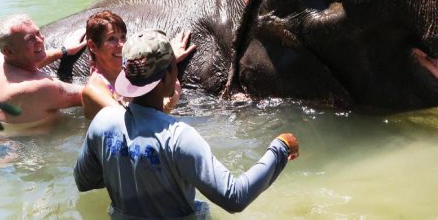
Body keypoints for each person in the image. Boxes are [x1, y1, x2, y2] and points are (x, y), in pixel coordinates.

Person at [74, 29, 299, 218]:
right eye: (174, 66)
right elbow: (234, 197)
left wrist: (128, 169)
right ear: (168, 75)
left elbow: (84, 181)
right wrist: (279, 148)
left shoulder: (103, 122)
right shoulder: (179, 137)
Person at [80, 10, 196, 120]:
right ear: (93, 46)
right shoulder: (93, 90)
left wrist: (169, 57)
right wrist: (170, 103)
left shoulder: (130, 71)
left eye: (123, 37)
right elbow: (131, 122)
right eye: (112, 39)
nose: (121, 44)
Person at [0, 13, 87, 134]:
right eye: (29, 39)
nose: (40, 40)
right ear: (8, 51)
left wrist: (64, 50)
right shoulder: (37, 87)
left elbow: (28, 59)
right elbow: (94, 94)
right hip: (24, 147)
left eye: (38, 33)